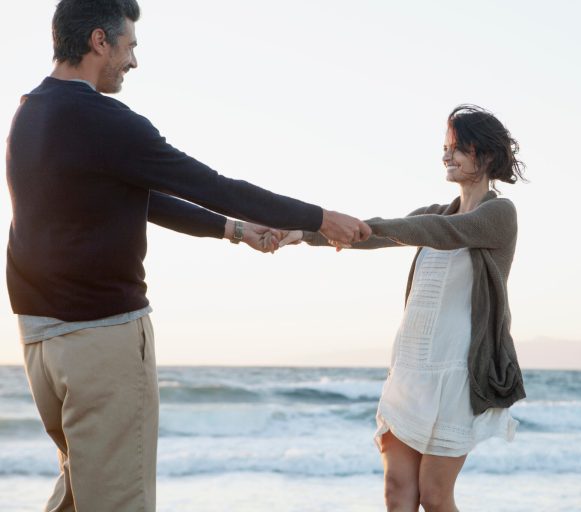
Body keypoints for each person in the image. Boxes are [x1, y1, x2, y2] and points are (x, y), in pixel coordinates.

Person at [5, 1, 370, 510]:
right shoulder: (105, 120)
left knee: (77, 496)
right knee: (117, 502)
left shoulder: (31, 111)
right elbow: (212, 185)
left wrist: (233, 230)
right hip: (100, 342)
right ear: (99, 41)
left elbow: (140, 197)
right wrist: (319, 217)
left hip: (42, 344)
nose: (133, 62)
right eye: (129, 47)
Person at [282, 105, 526, 511]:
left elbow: (442, 234)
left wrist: (382, 228)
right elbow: (374, 233)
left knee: (434, 496)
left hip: (456, 374)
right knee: (398, 492)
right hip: (411, 370)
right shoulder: (436, 212)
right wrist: (303, 233)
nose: (446, 156)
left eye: (457, 148)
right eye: (445, 148)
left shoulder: (499, 214)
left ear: (484, 156)